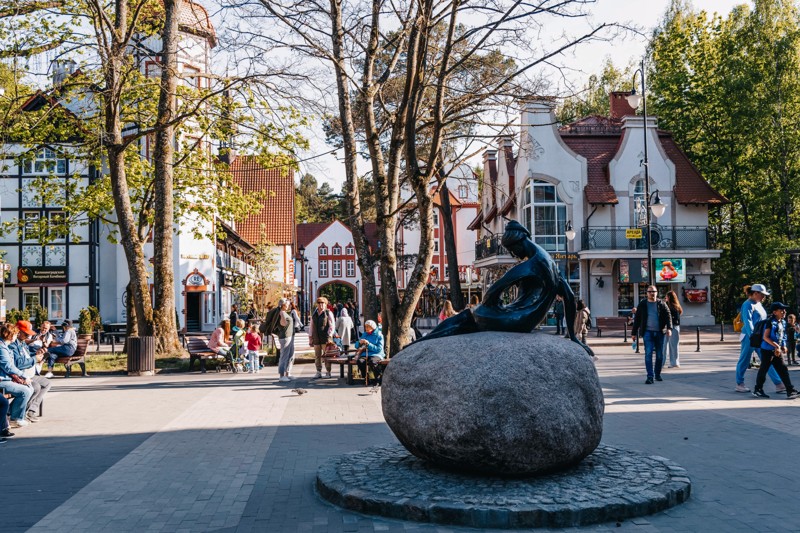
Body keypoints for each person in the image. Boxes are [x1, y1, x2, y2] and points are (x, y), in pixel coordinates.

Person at [734, 284, 783, 393]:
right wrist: (753, 337)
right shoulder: (747, 305)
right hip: (750, 337)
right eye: (762, 295)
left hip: (760, 337)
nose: (764, 297)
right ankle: (739, 383)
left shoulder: (758, 304)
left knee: (767, 359)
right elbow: (747, 322)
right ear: (755, 293)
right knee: (745, 360)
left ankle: (779, 384)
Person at [752, 302, 799, 399]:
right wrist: (777, 346)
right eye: (781, 310)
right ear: (774, 312)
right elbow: (765, 337)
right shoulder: (770, 322)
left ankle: (790, 390)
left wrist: (783, 345)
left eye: (784, 309)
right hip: (767, 350)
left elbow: (783, 336)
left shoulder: (783, 322)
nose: (784, 311)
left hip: (776, 351)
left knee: (783, 370)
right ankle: (758, 389)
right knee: (763, 370)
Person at [631, 285, 672, 384]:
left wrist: (669, 328)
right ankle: (650, 376)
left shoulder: (662, 304)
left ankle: (657, 374)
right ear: (647, 293)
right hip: (647, 332)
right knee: (648, 354)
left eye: (653, 291)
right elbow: (637, 319)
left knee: (659, 355)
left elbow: (668, 315)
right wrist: (633, 333)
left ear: (657, 293)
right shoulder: (643, 304)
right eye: (650, 292)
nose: (652, 293)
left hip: (659, 332)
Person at [11, 320, 51, 423]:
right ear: (18, 331)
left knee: (46, 383)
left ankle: (30, 410)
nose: (28, 336)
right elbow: (18, 363)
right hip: (20, 375)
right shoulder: (13, 344)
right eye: (26, 333)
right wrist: (34, 359)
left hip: (29, 373)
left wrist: (37, 355)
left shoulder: (23, 343)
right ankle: (15, 412)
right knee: (35, 386)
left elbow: (27, 358)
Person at [0, 323, 34, 428]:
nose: (16, 336)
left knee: (29, 388)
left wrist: (20, 377)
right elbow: (8, 366)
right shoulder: (2, 348)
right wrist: (23, 376)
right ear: (9, 335)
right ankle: (15, 418)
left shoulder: (6, 347)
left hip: (7, 378)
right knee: (25, 391)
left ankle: (15, 415)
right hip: (3, 380)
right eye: (15, 334)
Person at [309, 296, 336, 379]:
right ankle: (318, 371)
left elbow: (332, 326)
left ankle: (328, 372)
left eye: (322, 303)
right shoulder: (314, 313)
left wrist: (330, 335)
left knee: (327, 356)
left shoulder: (328, 313)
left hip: (326, 338)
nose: (321, 305)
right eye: (319, 303)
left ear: (326, 304)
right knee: (317, 356)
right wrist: (310, 337)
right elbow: (311, 326)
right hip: (316, 338)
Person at [355, 320, 385, 385]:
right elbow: (356, 346)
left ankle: (378, 378)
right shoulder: (364, 334)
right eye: (366, 327)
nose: (366, 328)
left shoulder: (379, 335)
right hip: (365, 353)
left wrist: (369, 344)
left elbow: (379, 349)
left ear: (373, 327)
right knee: (360, 361)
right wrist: (359, 343)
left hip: (376, 354)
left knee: (373, 362)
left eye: (368, 327)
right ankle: (366, 377)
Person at [276, 298, 296, 382]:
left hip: (290, 336)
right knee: (284, 356)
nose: (288, 306)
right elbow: (283, 324)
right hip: (285, 337)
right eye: (286, 304)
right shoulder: (281, 313)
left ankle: (288, 373)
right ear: (282, 305)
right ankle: (282, 375)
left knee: (291, 355)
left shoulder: (284, 313)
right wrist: (282, 315)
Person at [664, 290, 683, 368]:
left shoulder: (671, 306)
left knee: (669, 345)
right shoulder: (676, 306)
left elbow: (672, 318)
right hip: (674, 327)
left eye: (666, 297)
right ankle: (674, 362)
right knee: (672, 345)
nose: (665, 298)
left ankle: (673, 363)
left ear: (669, 297)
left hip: (671, 327)